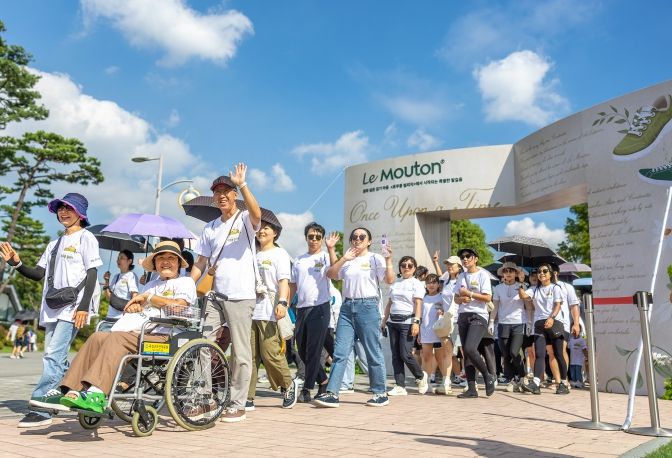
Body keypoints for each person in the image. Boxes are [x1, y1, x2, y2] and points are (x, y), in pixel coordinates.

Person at [57, 241, 196, 413]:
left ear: (178, 263)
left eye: (171, 258)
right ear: (155, 263)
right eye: (161, 258)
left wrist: (150, 298)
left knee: (118, 338)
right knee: (98, 337)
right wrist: (134, 307)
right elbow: (141, 308)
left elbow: (178, 307)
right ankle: (70, 389)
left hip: (167, 337)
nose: (165, 262)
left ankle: (97, 392)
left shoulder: (185, 282)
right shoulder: (151, 285)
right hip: (141, 332)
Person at [1, 193, 102, 427]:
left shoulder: (86, 238)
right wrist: (16, 264)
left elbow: (92, 273)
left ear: (80, 213)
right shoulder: (53, 244)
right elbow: (38, 274)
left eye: (69, 208)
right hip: (53, 306)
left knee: (53, 355)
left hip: (74, 307)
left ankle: (42, 408)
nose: (63, 212)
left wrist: (84, 307)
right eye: (60, 208)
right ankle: (72, 390)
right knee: (54, 356)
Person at [190, 164, 261, 423]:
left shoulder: (244, 219)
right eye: (217, 192)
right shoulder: (210, 228)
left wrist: (242, 184)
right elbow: (200, 262)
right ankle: (204, 399)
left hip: (241, 294)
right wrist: (187, 286)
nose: (221, 195)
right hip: (215, 296)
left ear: (234, 195)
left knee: (240, 352)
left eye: (226, 191)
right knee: (203, 345)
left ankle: (238, 403)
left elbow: (256, 213)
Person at [314, 227, 395, 408]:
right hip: (347, 308)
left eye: (361, 236)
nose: (357, 239)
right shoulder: (348, 258)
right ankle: (332, 393)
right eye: (354, 237)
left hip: (368, 306)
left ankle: (380, 393)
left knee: (372, 351)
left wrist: (389, 259)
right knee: (340, 352)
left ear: (369, 241)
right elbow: (332, 274)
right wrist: (340, 256)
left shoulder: (375, 258)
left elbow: (389, 280)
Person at [246, 215, 299, 411]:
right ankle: (247, 396)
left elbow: (284, 281)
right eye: (259, 227)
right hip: (249, 309)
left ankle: (288, 384)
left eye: (267, 228)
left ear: (275, 233)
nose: (261, 230)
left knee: (270, 354)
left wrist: (283, 302)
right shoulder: (251, 253)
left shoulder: (279, 254)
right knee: (249, 356)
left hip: (269, 310)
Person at [289, 223, 339, 402]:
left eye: (318, 237)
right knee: (302, 351)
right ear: (306, 238)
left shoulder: (325, 256)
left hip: (320, 307)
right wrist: (285, 304)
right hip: (301, 309)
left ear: (322, 239)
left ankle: (307, 389)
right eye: (311, 236)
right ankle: (323, 380)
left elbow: (335, 272)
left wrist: (331, 249)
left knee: (313, 350)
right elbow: (293, 285)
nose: (314, 240)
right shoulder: (299, 260)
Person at [519, 263, 569, 395]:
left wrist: (551, 318)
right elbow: (523, 296)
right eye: (539, 271)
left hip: (555, 322)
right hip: (539, 324)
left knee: (558, 354)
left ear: (550, 274)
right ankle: (536, 383)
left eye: (545, 271)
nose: (541, 273)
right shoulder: (534, 289)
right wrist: (521, 282)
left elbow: (558, 305)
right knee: (539, 353)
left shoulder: (555, 288)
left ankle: (563, 383)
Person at [453, 248, 496, 398]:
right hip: (463, 316)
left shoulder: (482, 275)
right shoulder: (461, 276)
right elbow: (456, 298)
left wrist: (470, 294)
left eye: (468, 256)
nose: (464, 259)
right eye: (462, 257)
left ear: (475, 258)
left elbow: (488, 297)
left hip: (478, 316)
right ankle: (472, 389)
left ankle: (487, 376)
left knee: (470, 348)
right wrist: (461, 299)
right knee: (466, 353)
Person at [381, 256, 427, 396]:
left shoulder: (416, 284)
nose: (406, 267)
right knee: (396, 355)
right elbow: (390, 303)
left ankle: (420, 376)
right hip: (393, 322)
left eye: (410, 265)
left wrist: (416, 322)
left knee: (405, 354)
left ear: (414, 268)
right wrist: (384, 320)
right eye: (403, 265)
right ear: (400, 268)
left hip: (408, 322)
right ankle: (400, 386)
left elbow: (418, 303)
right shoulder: (396, 283)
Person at [491, 262, 527, 392]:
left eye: (511, 271)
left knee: (514, 351)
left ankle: (522, 375)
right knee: (505, 354)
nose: (508, 273)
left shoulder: (522, 286)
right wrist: (491, 321)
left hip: (518, 322)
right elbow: (495, 306)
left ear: (516, 273)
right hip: (503, 323)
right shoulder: (498, 288)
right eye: (505, 271)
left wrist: (529, 322)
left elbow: (527, 303)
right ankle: (511, 379)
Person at [419, 273, 452, 394]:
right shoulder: (423, 298)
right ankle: (426, 382)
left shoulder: (442, 297)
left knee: (440, 357)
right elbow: (420, 316)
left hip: (439, 331)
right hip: (425, 331)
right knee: (426, 356)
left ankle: (445, 382)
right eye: (428, 282)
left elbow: (448, 312)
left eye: (434, 282)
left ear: (438, 284)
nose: (431, 285)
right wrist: (419, 333)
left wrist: (442, 313)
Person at [102, 250, 139, 329]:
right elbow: (109, 298)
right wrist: (106, 281)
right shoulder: (116, 276)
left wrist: (131, 313)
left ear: (129, 261)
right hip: (110, 317)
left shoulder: (131, 275)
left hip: (122, 318)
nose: (118, 260)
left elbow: (134, 295)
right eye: (118, 258)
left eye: (122, 258)